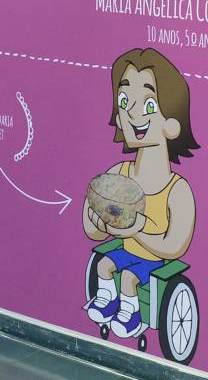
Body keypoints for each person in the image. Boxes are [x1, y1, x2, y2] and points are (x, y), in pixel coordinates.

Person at [83, 48, 200, 340]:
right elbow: (90, 226)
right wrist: (99, 222)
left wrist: (136, 230)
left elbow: (174, 247)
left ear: (172, 125)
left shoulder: (177, 191)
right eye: (124, 101)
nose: (131, 113)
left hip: (153, 263)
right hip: (124, 253)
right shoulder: (117, 174)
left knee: (129, 278)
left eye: (148, 104)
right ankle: (106, 301)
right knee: (105, 265)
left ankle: (131, 315)